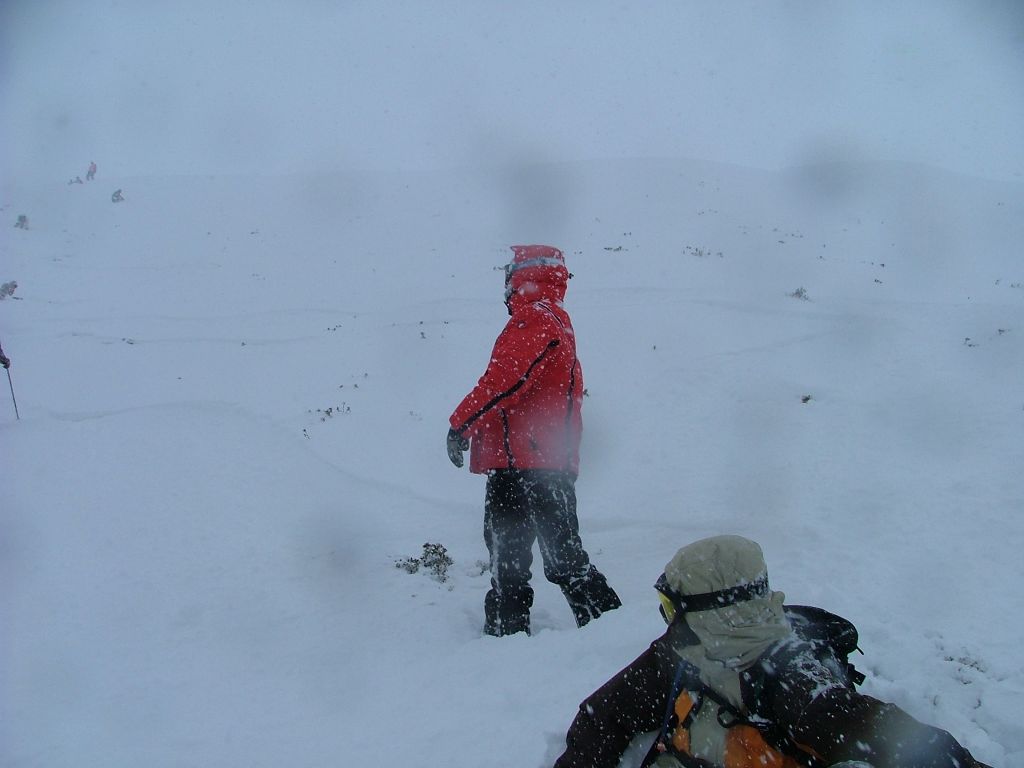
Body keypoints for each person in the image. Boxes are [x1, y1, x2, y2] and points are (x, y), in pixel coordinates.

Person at [553, 534, 994, 768]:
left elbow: (901, 740)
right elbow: (603, 714)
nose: (668, 620)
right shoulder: (689, 647)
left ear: (712, 610)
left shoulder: (791, 676)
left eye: (671, 607)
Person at [447, 245, 621, 637]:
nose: (505, 282)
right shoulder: (553, 318)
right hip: (536, 462)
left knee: (531, 563)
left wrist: (461, 424)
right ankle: (610, 633)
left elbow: (505, 381)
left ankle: (515, 640)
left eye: (509, 273)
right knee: (543, 560)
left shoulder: (535, 318)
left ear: (524, 275)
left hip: (528, 465)